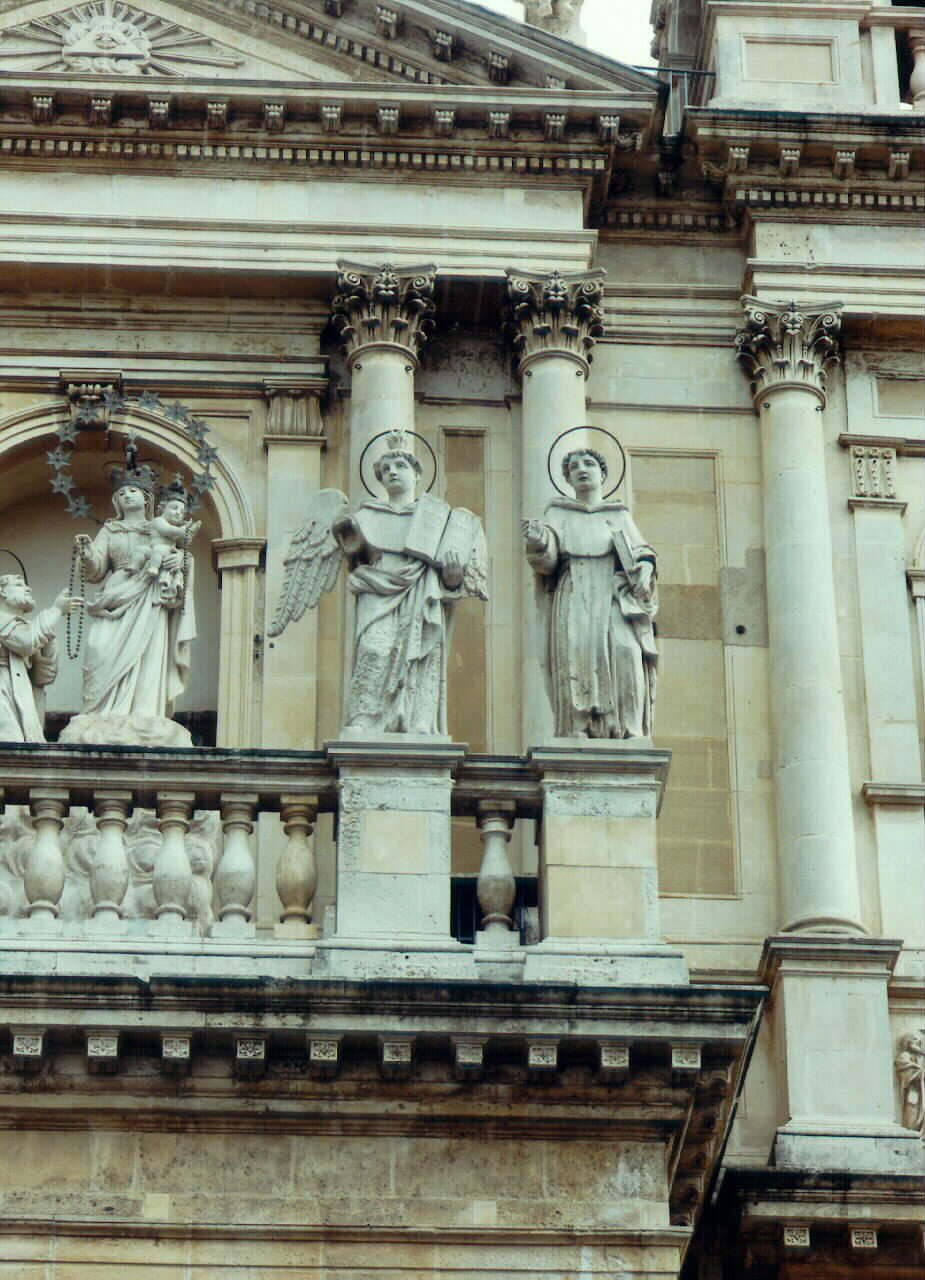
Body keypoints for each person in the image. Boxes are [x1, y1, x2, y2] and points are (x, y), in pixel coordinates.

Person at [331, 443, 486, 734]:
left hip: (421, 593)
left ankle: (418, 719)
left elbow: (451, 584)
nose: (392, 472)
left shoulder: (436, 520)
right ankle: (365, 717)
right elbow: (355, 559)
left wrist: (453, 574)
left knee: (421, 653)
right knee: (373, 650)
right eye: (385, 469)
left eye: (400, 466)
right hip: (376, 590)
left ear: (416, 475)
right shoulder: (365, 517)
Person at [523, 446, 658, 739]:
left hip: (612, 591)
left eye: (589, 464)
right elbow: (546, 563)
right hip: (574, 590)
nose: (581, 469)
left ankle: (627, 727)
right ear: (568, 479)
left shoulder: (618, 514)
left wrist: (646, 568)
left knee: (625, 650)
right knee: (576, 652)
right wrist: (537, 541)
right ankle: (579, 725)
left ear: (603, 474)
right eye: (574, 467)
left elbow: (641, 551)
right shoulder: (558, 512)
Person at [71, 460, 196, 725]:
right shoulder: (110, 529)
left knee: (147, 653)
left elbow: (182, 556)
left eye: (132, 491)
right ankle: (100, 714)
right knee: (98, 649)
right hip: (115, 593)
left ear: (147, 497)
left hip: (150, 595)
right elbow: (95, 571)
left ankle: (143, 712)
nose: (127, 495)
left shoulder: (160, 527)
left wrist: (180, 561)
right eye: (122, 493)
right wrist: (87, 552)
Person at [0, 575, 81, 741]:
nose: (28, 589)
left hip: (19, 695)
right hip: (3, 693)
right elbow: (26, 642)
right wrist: (56, 610)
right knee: (9, 741)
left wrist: (47, 639)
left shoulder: (26, 627)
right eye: (18, 584)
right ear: (2, 592)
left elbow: (43, 676)